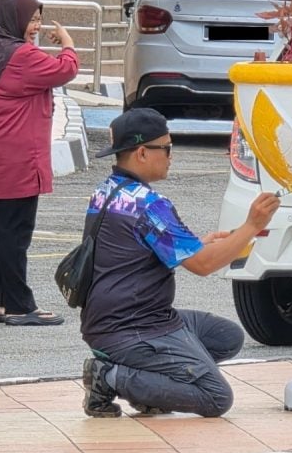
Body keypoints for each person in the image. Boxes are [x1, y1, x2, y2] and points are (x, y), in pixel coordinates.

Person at [80, 108, 280, 418]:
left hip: (117, 318)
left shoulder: (107, 192)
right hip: (134, 327)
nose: (171, 156)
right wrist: (252, 225)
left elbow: (151, 249)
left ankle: (150, 387)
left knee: (226, 338)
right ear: (143, 153)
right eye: (167, 148)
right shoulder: (148, 205)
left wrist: (203, 244)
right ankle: (109, 377)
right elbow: (202, 265)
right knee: (215, 398)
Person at [0, 0, 79, 326]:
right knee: (15, 233)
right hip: (15, 156)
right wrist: (67, 43)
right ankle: (20, 306)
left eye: (39, 19)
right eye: (33, 19)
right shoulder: (21, 55)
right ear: (14, 20)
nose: (36, 26)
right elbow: (64, 70)